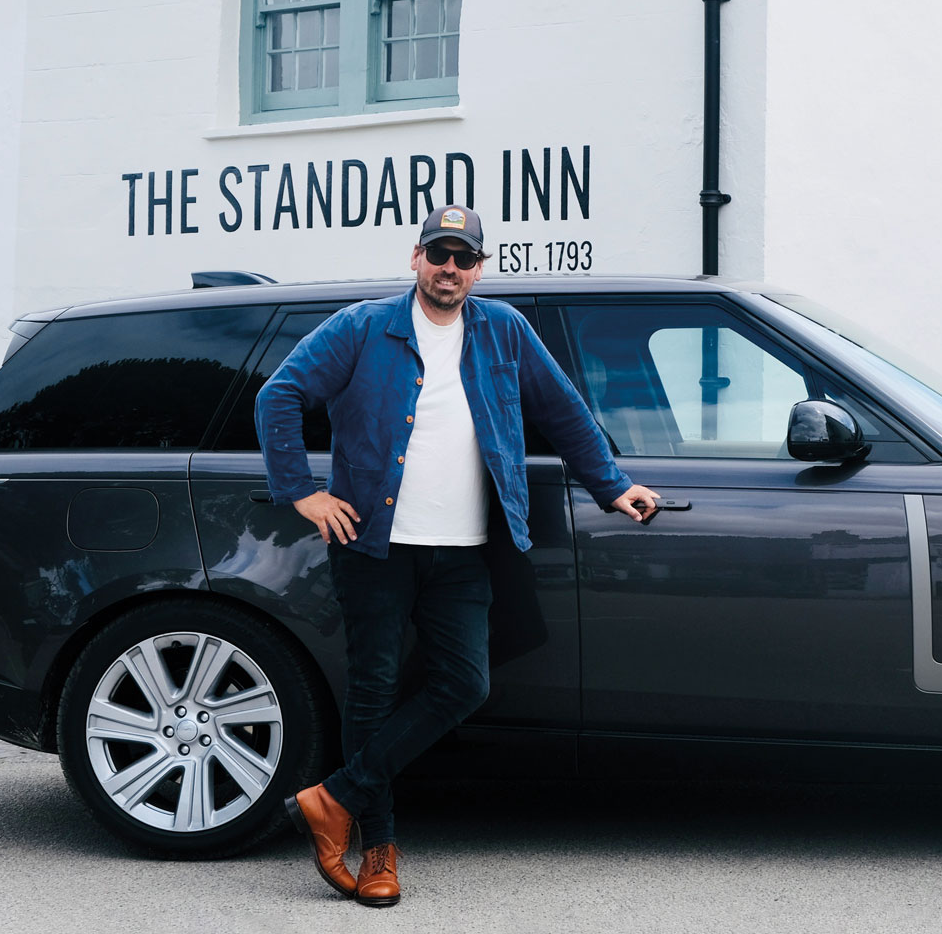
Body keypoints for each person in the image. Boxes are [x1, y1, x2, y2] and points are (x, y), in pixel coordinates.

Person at [256, 204, 656, 907]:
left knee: (464, 684)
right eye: (438, 254)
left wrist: (612, 485)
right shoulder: (362, 327)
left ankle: (332, 800)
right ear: (415, 259)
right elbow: (279, 394)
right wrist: (303, 494)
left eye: (463, 257)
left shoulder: (504, 330)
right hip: (374, 547)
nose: (450, 268)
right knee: (373, 694)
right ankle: (378, 851)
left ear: (479, 267)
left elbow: (563, 412)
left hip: (465, 550)